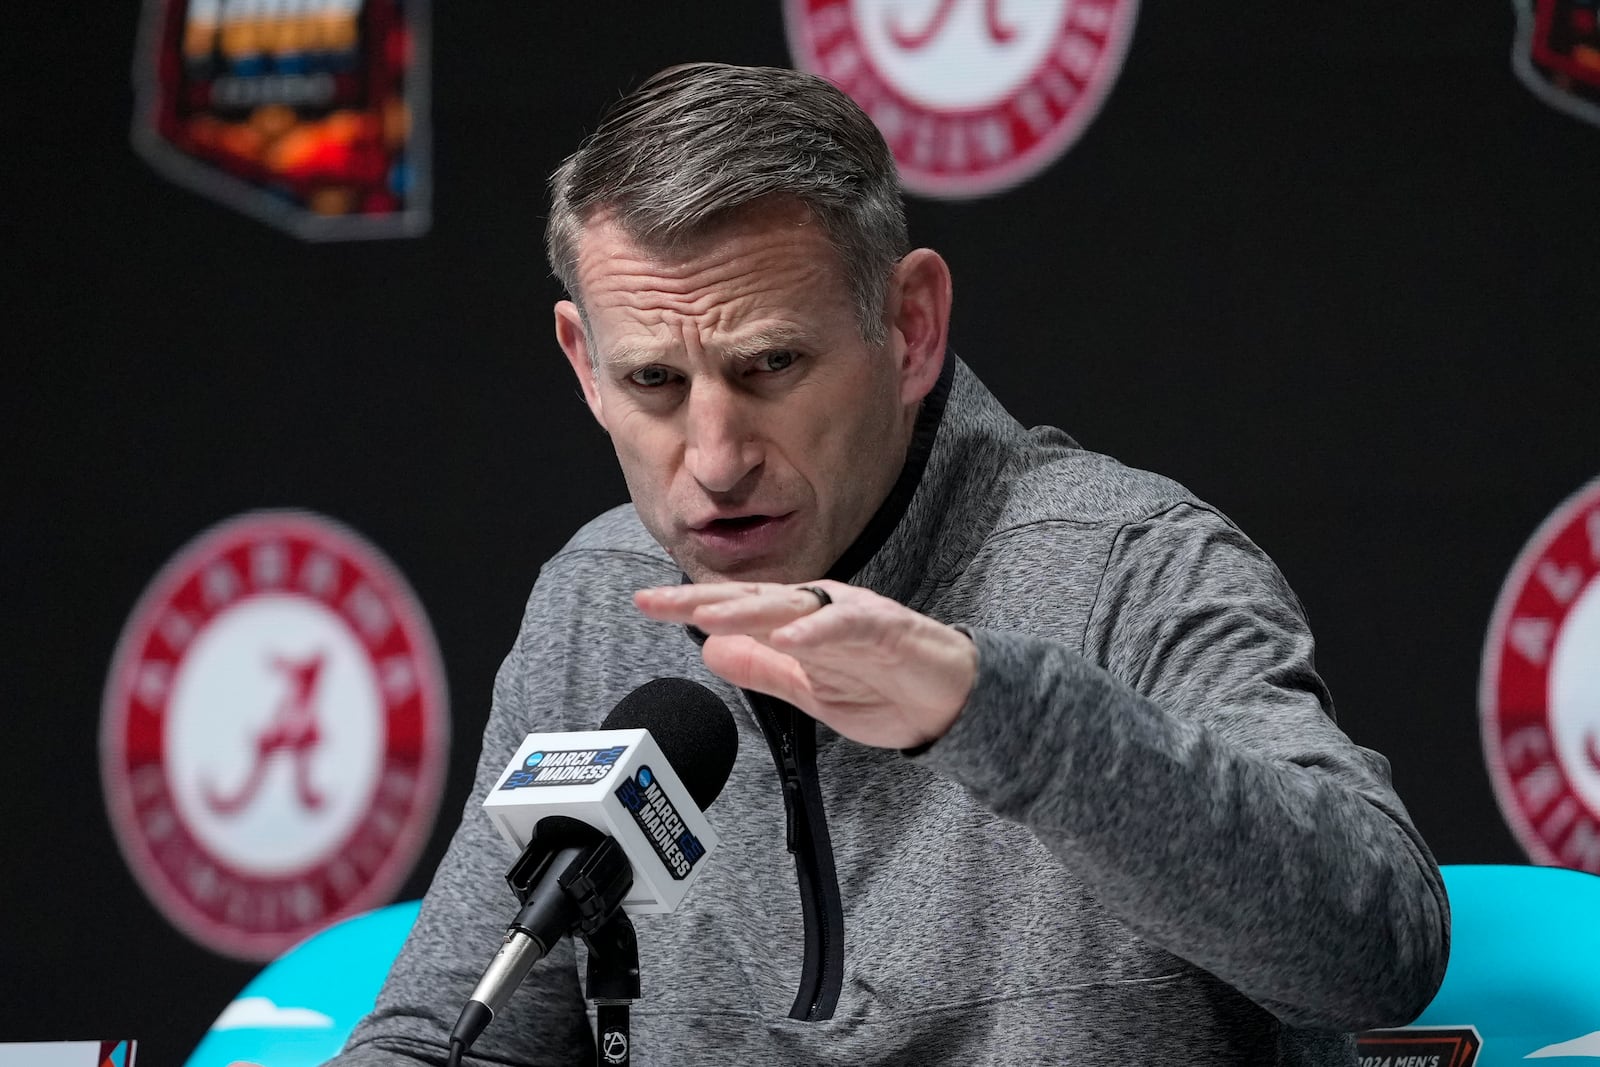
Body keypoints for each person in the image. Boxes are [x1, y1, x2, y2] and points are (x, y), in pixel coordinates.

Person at [332, 62, 1448, 1065]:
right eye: (655, 384)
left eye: (772, 364)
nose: (714, 462)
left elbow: (1375, 952)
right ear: (584, 361)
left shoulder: (1130, 566)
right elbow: (452, 1033)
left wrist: (992, 707)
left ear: (909, 327)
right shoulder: (595, 598)